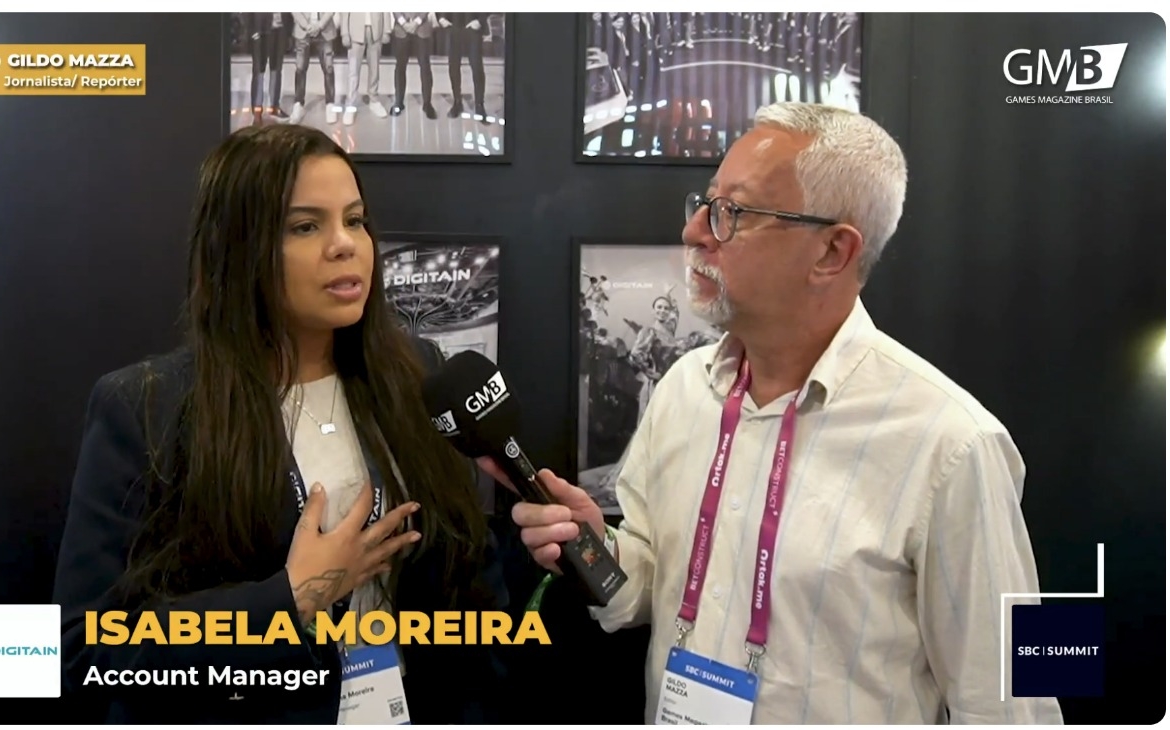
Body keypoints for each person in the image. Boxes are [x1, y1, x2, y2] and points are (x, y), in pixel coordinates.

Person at [495, 102, 1065, 724]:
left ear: (832, 252)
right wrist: (594, 546)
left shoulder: (957, 443)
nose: (694, 232)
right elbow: (649, 581)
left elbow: (1021, 703)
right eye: (706, 203)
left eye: (732, 213)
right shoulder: (683, 389)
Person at [53, 124, 510, 724]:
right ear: (239, 248)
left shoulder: (416, 374)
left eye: (355, 220)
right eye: (305, 227)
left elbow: (469, 580)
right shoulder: (146, 407)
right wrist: (290, 599)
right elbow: (80, 649)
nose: (345, 245)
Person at [338, 12, 392, 125]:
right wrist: (344, 33)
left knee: (374, 69)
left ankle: (374, 100)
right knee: (353, 71)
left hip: (376, 30)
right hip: (354, 32)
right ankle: (350, 104)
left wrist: (386, 30)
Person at [288, 13, 340, 125]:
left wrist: (320, 25)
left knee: (328, 68)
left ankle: (330, 104)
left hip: (325, 29)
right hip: (302, 30)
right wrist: (306, 25)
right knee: (300, 68)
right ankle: (298, 104)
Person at [437, 13, 487, 121]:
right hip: (453, 27)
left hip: (473, 27)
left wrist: (480, 21)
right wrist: (440, 17)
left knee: (477, 68)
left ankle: (479, 105)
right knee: (453, 67)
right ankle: (457, 102)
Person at [389, 12, 437, 119]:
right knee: (400, 67)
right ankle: (398, 102)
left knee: (425, 67)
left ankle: (427, 104)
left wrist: (416, 22)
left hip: (422, 28)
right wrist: (403, 22)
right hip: (401, 29)